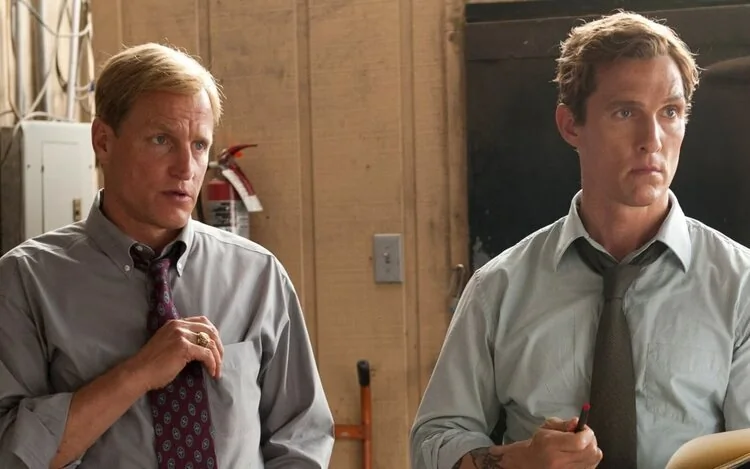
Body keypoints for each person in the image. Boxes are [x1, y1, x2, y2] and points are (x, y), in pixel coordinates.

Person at [410, 11, 750, 469]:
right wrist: (518, 462)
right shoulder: (500, 288)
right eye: (625, 112)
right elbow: (432, 442)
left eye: (670, 112)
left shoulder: (740, 286)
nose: (652, 140)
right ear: (571, 125)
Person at [0, 43, 335, 468]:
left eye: (199, 145)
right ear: (103, 141)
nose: (186, 168)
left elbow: (301, 439)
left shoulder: (258, 276)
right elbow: (11, 454)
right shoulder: (25, 282)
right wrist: (137, 373)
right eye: (161, 140)